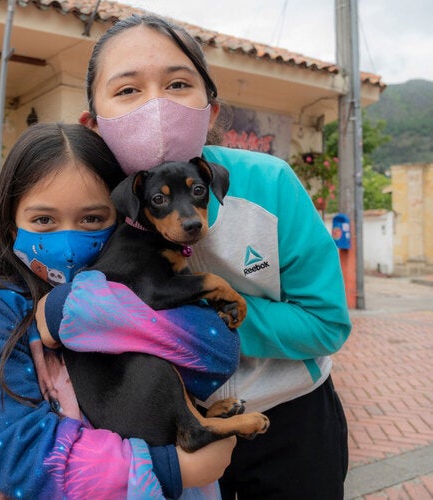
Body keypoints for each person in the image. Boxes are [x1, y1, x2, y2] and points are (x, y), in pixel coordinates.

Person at [42, 13, 351, 499]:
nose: (157, 105)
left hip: (289, 417)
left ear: (210, 110)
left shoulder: (271, 184)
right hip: (155, 433)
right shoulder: (84, 208)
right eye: (127, 90)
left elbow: (328, 325)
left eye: (179, 83)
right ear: (94, 124)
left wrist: (188, 327)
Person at [0, 122, 239, 499]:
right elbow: (18, 460)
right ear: (10, 228)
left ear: (124, 215)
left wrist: (73, 310)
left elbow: (217, 355)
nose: (68, 241)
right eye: (43, 220)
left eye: (91, 219)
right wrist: (171, 468)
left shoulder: (147, 276)